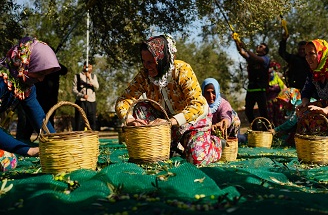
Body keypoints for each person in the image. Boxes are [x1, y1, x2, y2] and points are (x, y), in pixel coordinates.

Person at [115, 34, 223, 166]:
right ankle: (170, 148)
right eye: (143, 61)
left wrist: (170, 121)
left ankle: (215, 144)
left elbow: (198, 105)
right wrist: (129, 119)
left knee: (196, 159)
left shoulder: (182, 70)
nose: (146, 66)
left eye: (150, 62)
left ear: (162, 59)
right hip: (164, 125)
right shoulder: (144, 75)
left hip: (192, 122)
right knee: (139, 106)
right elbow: (123, 100)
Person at [0, 37, 61, 170]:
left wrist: (55, 142)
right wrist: (28, 150)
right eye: (39, 73)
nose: (41, 79)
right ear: (24, 63)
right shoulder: (1, 81)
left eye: (45, 74)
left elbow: (38, 117)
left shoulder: (25, 86)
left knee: (8, 161)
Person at [16, 62, 68, 141]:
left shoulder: (56, 66)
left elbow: (64, 70)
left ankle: (50, 140)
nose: (41, 78)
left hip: (50, 100)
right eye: (41, 74)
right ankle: (24, 140)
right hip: (38, 97)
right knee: (30, 121)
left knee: (48, 119)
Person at [234, 37, 270, 127]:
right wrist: (237, 42)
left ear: (264, 51)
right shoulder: (252, 58)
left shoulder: (265, 59)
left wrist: (245, 47)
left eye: (261, 46)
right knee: (248, 111)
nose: (258, 46)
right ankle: (255, 128)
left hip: (260, 90)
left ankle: (267, 130)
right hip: (251, 90)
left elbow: (257, 59)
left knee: (263, 112)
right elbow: (242, 52)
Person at [72, 62, 99, 131]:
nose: (91, 69)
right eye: (89, 67)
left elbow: (97, 87)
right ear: (84, 67)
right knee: (79, 121)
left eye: (91, 67)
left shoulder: (93, 76)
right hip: (81, 101)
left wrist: (90, 78)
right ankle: (79, 138)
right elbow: (74, 90)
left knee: (92, 121)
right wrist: (82, 95)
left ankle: (92, 137)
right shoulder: (77, 76)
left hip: (91, 101)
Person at [266, 61, 287, 127]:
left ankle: (280, 129)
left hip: (278, 100)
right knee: (270, 116)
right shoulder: (264, 77)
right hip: (269, 101)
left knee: (279, 115)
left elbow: (283, 88)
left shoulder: (278, 75)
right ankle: (272, 129)